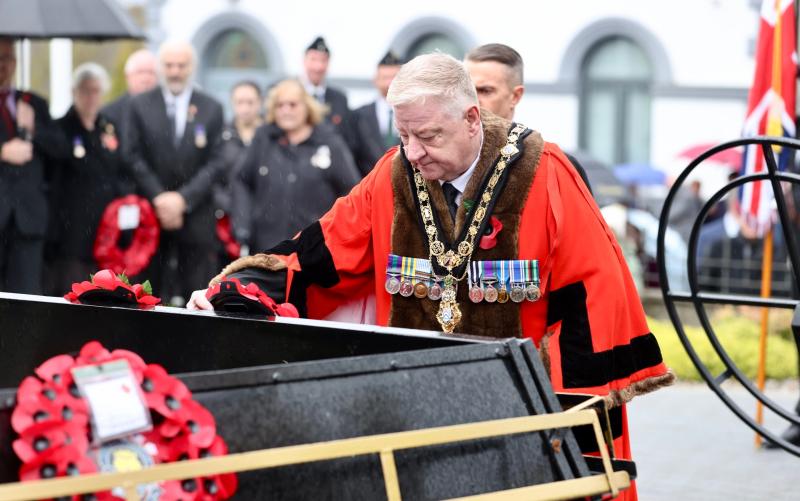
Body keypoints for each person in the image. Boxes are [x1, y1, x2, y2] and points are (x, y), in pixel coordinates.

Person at [190, 54, 673, 499]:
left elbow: (593, 299)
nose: (414, 152)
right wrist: (232, 291)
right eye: (403, 136)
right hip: (415, 419)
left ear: (471, 119)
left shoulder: (545, 174)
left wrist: (555, 426)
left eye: (428, 137)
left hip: (520, 421)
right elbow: (321, 251)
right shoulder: (395, 174)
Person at [125, 40, 225, 303]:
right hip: (151, 216)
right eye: (169, 65)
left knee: (198, 294)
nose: (175, 71)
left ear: (192, 67)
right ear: (160, 68)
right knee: (147, 294)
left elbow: (217, 162)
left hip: (196, 215)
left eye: (181, 65)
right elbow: (132, 155)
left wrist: (182, 199)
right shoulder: (140, 105)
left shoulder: (212, 108)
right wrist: (159, 197)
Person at [231, 79, 360, 252]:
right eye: (280, 105)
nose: (286, 110)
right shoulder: (263, 139)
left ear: (307, 107)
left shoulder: (329, 142)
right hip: (268, 248)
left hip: (314, 250)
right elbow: (241, 180)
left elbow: (351, 192)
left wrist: (337, 233)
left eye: (293, 104)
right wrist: (243, 226)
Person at [47, 63, 132, 293]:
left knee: (103, 292)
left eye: (96, 90)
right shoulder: (60, 128)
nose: (90, 97)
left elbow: (120, 169)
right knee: (73, 289)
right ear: (74, 92)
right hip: (71, 228)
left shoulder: (108, 128)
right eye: (85, 90)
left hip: (105, 227)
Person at [464, 43, 592, 192]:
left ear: (515, 96)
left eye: (485, 91)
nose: (474, 100)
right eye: (468, 91)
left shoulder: (552, 167)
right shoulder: (442, 163)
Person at [0, 37, 64, 294]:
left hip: (28, 220)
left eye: (7, 58)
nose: (2, 64)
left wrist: (34, 129)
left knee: (25, 299)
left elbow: (62, 149)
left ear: (15, 62)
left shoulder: (33, 103)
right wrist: (2, 151)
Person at [219, 80, 264, 257]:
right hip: (227, 219)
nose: (245, 108)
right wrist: (228, 205)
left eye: (250, 102)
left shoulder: (270, 137)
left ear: (260, 103)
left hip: (264, 218)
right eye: (240, 102)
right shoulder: (222, 136)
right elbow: (214, 175)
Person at [346, 51, 403, 177]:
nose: (389, 84)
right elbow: (352, 155)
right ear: (375, 80)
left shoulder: (413, 114)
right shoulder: (358, 116)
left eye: (393, 78)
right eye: (385, 78)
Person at [101, 49, 157, 140]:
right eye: (140, 72)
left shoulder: (167, 110)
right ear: (128, 76)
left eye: (151, 72)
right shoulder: (110, 113)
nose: (146, 78)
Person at [301, 36, 350, 138]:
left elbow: (347, 136)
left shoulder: (340, 99)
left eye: (323, 60)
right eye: (313, 59)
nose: (318, 67)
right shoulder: (294, 95)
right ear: (304, 61)